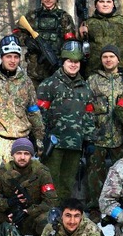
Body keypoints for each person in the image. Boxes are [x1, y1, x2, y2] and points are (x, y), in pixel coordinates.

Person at [36, 40, 95, 202]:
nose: (73, 65)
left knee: (68, 183)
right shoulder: (49, 85)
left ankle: (63, 215)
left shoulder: (85, 88)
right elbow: (39, 116)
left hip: (75, 145)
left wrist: (89, 140)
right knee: (50, 181)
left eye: (76, 62)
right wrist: (40, 140)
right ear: (63, 61)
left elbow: (89, 116)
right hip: (53, 144)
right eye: (70, 61)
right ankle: (48, 215)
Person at [0, 138, 57, 236]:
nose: (22, 157)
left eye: (26, 154)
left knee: (48, 217)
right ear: (12, 155)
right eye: (19, 153)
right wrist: (8, 203)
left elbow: (51, 201)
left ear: (31, 155)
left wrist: (28, 211)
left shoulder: (42, 172)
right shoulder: (1, 173)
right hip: (9, 218)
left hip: (32, 218)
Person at [85, 44, 123, 217]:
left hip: (122, 135)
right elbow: (86, 107)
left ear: (118, 59)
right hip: (98, 135)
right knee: (94, 174)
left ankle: (122, 205)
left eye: (111, 56)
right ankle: (94, 207)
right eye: (105, 57)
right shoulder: (93, 80)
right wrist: (89, 131)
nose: (108, 60)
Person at [0, 35, 45, 169]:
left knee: (18, 184)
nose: (12, 60)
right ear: (2, 57)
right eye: (8, 56)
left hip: (20, 140)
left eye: (16, 57)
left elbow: (33, 112)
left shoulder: (26, 82)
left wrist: (39, 138)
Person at [12, 0, 76, 86]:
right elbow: (16, 34)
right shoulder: (32, 16)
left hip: (57, 71)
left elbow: (71, 44)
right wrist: (27, 40)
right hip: (35, 73)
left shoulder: (64, 17)